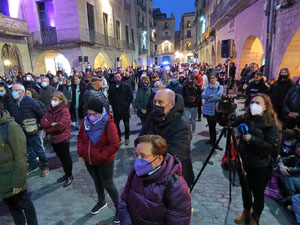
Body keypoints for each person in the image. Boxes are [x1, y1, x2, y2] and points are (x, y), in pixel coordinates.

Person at [118, 135, 191, 225]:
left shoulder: (175, 185)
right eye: (136, 155)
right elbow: (123, 201)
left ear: (159, 159)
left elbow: (178, 220)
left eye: (143, 156)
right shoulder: (135, 173)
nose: (138, 160)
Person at [234, 93, 279, 225]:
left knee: (258, 194)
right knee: (245, 190)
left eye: (258, 103)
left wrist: (251, 139)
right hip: (244, 162)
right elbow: (229, 122)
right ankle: (245, 212)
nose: (254, 105)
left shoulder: (270, 124)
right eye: (252, 102)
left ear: (265, 107)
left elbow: (271, 146)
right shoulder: (246, 118)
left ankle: (255, 217)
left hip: (260, 165)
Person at [140, 89, 195, 187]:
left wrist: (148, 153)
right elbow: (142, 137)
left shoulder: (181, 124)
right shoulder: (152, 116)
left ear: (172, 104)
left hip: (174, 177)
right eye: (154, 102)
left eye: (160, 102)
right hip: (151, 172)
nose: (156, 105)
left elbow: (176, 154)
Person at [77, 99, 120, 223]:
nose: (91, 117)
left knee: (108, 183)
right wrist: (81, 151)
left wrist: (101, 155)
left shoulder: (108, 124)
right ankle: (101, 202)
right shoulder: (85, 122)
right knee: (97, 181)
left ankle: (119, 207)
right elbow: (80, 137)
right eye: (89, 114)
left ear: (100, 113)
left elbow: (115, 144)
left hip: (104, 161)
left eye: (94, 114)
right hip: (89, 160)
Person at [0, 101, 39, 225]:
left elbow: (21, 157)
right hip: (2, 182)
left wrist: (17, 182)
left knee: (26, 206)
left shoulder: (11, 127)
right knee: (13, 209)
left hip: (13, 179)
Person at [8, 83, 49, 176]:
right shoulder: (12, 103)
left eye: (15, 90)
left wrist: (39, 126)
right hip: (20, 131)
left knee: (38, 149)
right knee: (27, 150)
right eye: (12, 90)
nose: (13, 92)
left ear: (22, 91)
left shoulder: (31, 102)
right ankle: (33, 165)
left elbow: (41, 115)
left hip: (32, 130)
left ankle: (45, 166)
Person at [40, 91, 73, 188]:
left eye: (55, 100)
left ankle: (69, 175)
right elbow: (43, 121)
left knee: (66, 158)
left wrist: (48, 126)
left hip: (63, 138)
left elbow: (60, 126)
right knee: (61, 158)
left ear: (61, 100)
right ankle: (66, 174)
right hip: (53, 139)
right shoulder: (50, 109)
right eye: (52, 99)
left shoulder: (64, 110)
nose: (53, 101)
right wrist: (50, 124)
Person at [108, 73, 133, 145]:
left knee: (126, 124)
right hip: (116, 109)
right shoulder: (112, 87)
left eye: (118, 76)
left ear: (121, 77)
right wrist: (112, 103)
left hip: (125, 109)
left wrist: (127, 104)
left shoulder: (126, 86)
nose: (117, 78)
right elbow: (110, 96)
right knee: (116, 124)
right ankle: (118, 137)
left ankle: (127, 138)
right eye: (115, 77)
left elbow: (130, 96)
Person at [201, 74, 223, 149]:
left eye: (213, 78)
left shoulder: (220, 87)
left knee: (214, 126)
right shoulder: (208, 86)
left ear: (216, 79)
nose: (212, 80)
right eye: (210, 78)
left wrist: (209, 99)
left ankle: (215, 141)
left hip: (215, 109)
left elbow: (218, 97)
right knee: (210, 125)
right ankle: (211, 140)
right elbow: (202, 95)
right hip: (207, 109)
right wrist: (211, 95)